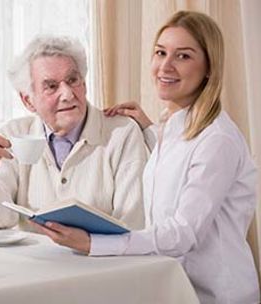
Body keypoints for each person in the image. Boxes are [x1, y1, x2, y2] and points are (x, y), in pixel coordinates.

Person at [32, 11, 260, 304]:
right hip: (176, 287)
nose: (165, 66)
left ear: (208, 68)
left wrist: (94, 243)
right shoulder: (175, 127)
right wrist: (151, 130)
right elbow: (180, 171)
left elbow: (183, 233)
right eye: (160, 52)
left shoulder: (217, 140)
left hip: (216, 295)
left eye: (183, 56)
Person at [0, 35, 147, 232]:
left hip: (104, 262)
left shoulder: (122, 133)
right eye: (51, 86)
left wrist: (89, 244)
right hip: (35, 262)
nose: (67, 95)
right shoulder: (14, 134)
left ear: (84, 84)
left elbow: (132, 223)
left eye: (73, 80)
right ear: (28, 101)